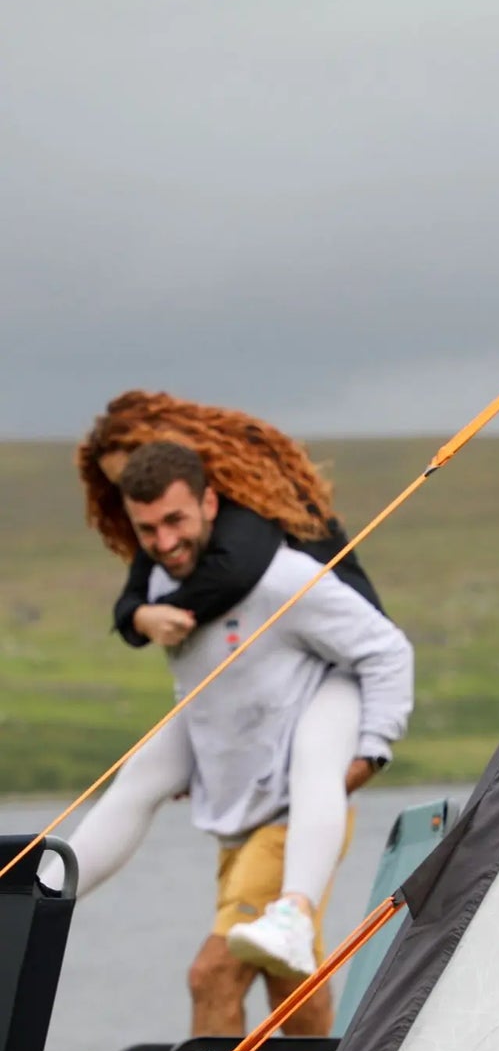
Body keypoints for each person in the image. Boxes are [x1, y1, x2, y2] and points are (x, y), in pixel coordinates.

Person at [67, 438, 413, 1051]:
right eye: (147, 529)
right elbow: (218, 697)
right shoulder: (161, 582)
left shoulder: (282, 580)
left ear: (210, 504)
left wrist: (370, 750)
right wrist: (140, 613)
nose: (165, 542)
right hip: (237, 816)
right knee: (298, 998)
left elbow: (385, 649)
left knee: (213, 974)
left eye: (176, 522)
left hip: (292, 817)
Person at [64, 392, 387, 981]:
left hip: (326, 664)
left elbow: (235, 577)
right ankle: (42, 899)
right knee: (141, 774)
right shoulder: (172, 534)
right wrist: (140, 618)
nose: (156, 529)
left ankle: (294, 908)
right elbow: (137, 597)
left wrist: (165, 615)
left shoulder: (243, 517)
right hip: (259, 681)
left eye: (144, 470)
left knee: (217, 972)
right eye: (125, 491)